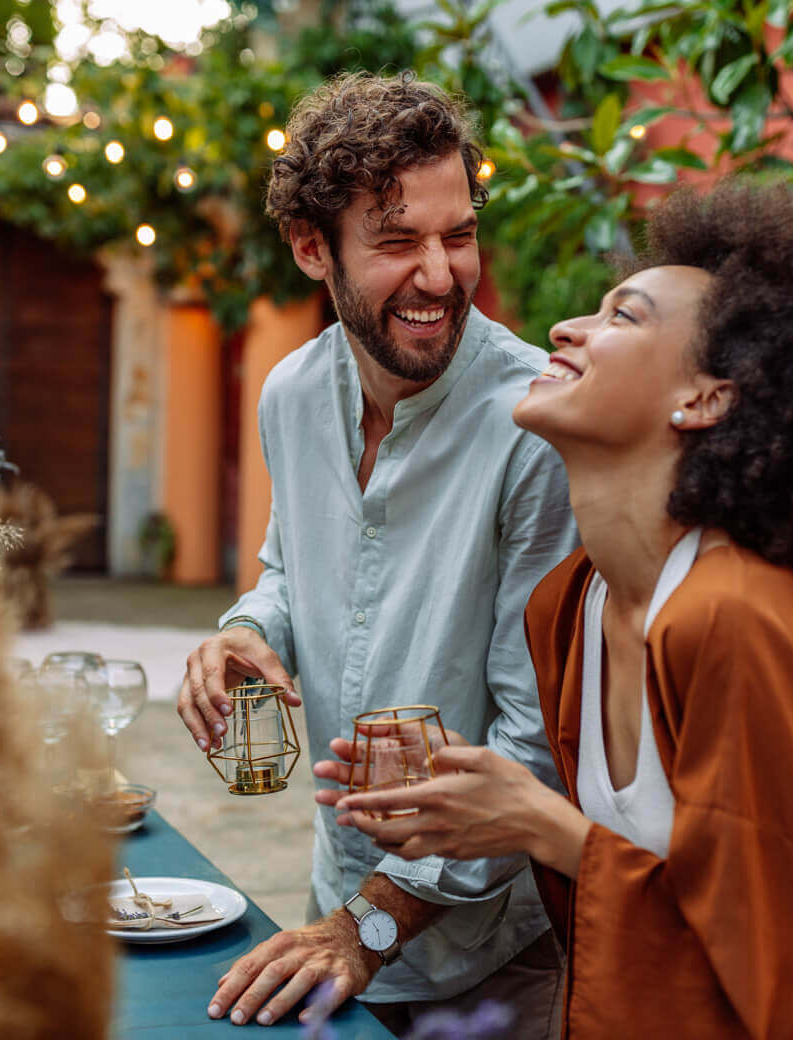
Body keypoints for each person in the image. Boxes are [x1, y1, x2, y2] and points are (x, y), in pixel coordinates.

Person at [333, 182, 793, 1038]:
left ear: (705, 398)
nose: (565, 329)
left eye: (624, 318)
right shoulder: (569, 606)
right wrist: (471, 802)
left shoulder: (733, 622)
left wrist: (547, 828)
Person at [176, 72, 578, 1033]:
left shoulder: (537, 424)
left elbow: (535, 751)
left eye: (460, 234)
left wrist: (373, 928)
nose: (440, 274)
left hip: (493, 958)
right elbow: (290, 564)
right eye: (398, 242)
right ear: (313, 248)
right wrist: (244, 630)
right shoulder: (287, 395)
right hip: (338, 914)